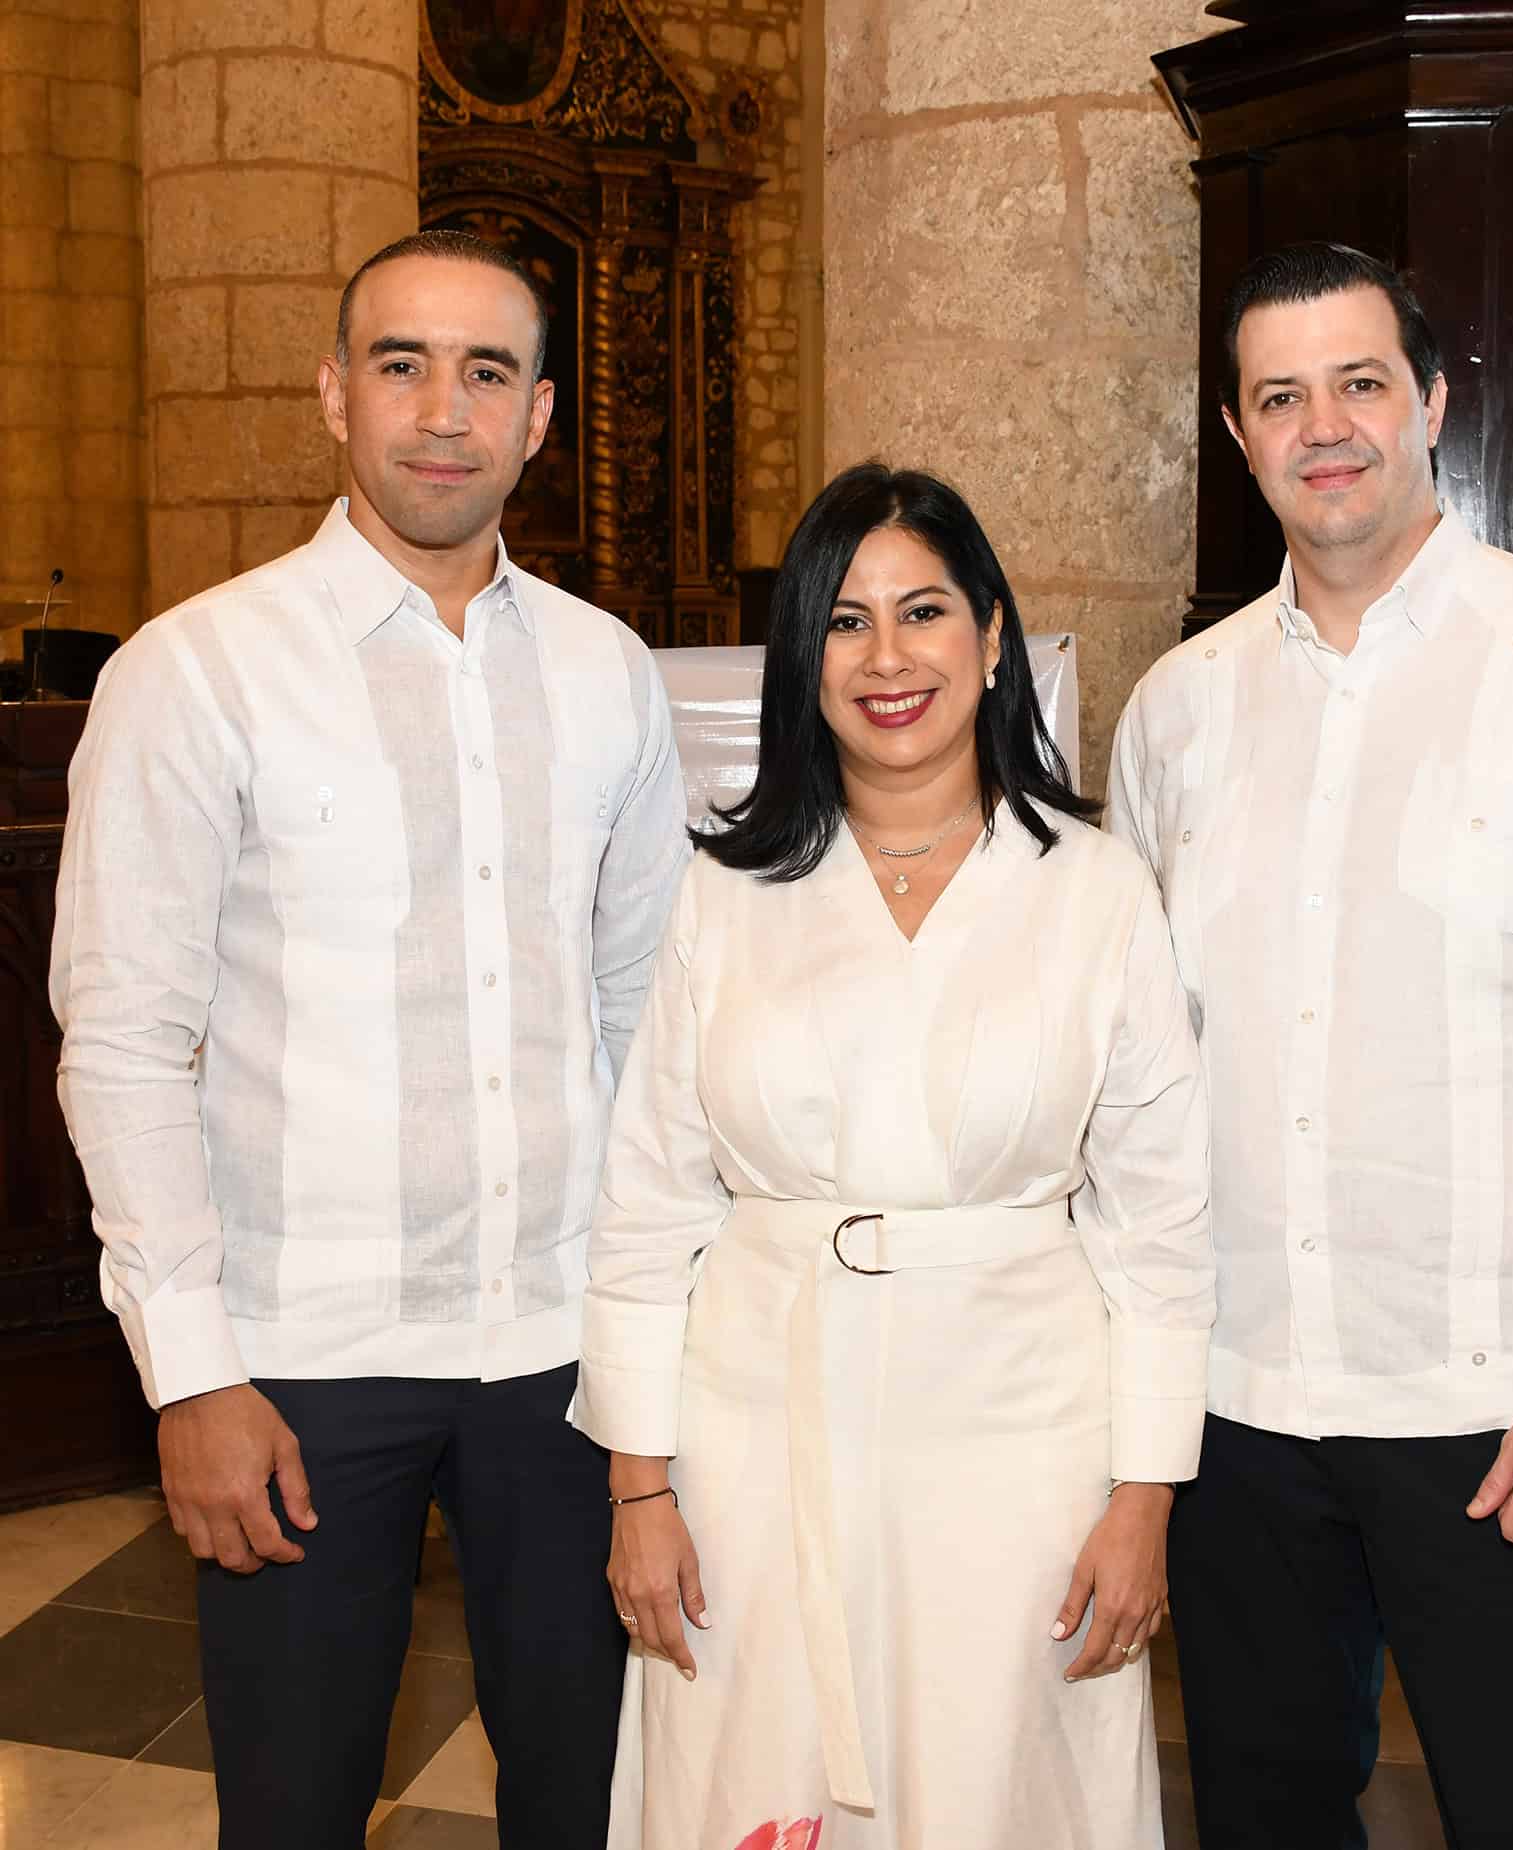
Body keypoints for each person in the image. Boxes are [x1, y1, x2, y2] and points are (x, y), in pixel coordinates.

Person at [1109, 240, 1513, 1849]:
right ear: (1238, 432)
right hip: (1240, 1409)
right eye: (1281, 396)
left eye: (1360, 384)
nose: (1324, 426)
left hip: (1512, 1411)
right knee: (1264, 1816)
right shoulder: (1176, 715)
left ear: (1434, 403)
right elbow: (1135, 1072)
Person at [50, 229, 689, 1849]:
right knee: (296, 1803)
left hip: (565, 1353)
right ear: (336, 395)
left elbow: (648, 1013)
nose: (442, 410)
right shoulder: (197, 672)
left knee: (590, 1794)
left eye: (487, 372)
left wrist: (667, 1334)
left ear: (540, 416)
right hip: (303, 1357)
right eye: (400, 363)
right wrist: (189, 1373)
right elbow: (124, 1039)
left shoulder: (612, 677)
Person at [569, 462, 1215, 1850]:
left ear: (992, 639)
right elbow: (646, 1207)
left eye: (923, 610)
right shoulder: (726, 896)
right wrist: (641, 1486)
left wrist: (1144, 1491)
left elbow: (1161, 1225)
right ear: (800, 665)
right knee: (754, 1765)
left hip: (1020, 1443)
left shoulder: (1097, 894)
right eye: (843, 622)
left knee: (1001, 1779)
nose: (886, 655)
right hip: (750, 1430)